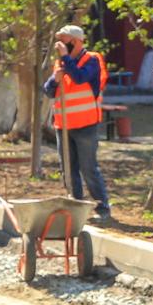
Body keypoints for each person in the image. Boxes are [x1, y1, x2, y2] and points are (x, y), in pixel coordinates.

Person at [42, 25, 112, 222]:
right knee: (68, 169)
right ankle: (76, 207)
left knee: (88, 168)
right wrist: (54, 81)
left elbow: (80, 77)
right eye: (60, 40)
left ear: (77, 41)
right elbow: (48, 91)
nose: (61, 45)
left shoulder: (91, 60)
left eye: (65, 40)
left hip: (86, 125)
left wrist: (66, 59)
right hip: (63, 126)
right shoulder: (61, 64)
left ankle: (102, 208)